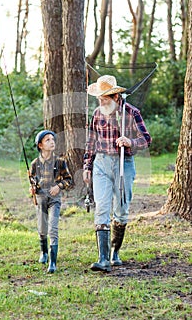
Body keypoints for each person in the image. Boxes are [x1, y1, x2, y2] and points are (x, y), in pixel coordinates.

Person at [83, 75, 152, 272]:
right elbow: (90, 142)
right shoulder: (97, 114)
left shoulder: (130, 113)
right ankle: (102, 259)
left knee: (121, 211)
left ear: (115, 96)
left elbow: (146, 139)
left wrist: (131, 142)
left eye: (104, 99)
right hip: (101, 164)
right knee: (102, 208)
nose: (101, 102)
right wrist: (87, 166)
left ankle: (115, 252)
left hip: (124, 164)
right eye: (99, 99)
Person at [30, 130, 72, 273]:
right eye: (47, 140)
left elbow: (68, 180)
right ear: (40, 145)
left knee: (52, 229)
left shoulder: (60, 162)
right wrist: (33, 189)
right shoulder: (35, 164)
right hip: (41, 199)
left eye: (52, 139)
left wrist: (58, 186)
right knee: (42, 228)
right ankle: (44, 252)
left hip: (54, 199)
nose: (51, 141)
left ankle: (53, 263)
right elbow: (33, 181)